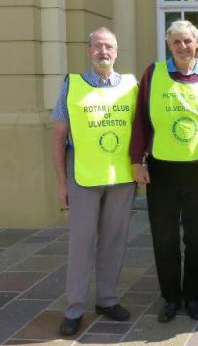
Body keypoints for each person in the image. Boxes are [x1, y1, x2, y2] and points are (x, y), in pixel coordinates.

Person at [130, 20, 198, 322]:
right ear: (169, 44)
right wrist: (136, 161)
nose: (183, 47)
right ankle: (171, 297)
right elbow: (141, 121)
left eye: (189, 41)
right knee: (164, 238)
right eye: (177, 42)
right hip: (162, 171)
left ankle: (193, 296)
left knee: (197, 238)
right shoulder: (153, 73)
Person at [52, 27, 137, 336]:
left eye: (109, 47)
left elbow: (140, 130)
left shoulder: (131, 86)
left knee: (114, 240)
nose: (104, 51)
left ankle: (107, 299)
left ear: (117, 52)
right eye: (98, 46)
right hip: (83, 176)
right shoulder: (71, 85)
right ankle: (74, 307)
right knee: (82, 242)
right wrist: (62, 184)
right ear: (88, 51)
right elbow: (59, 137)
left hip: (121, 176)